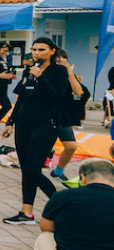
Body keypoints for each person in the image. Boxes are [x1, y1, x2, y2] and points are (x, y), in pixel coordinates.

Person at [2, 38, 72, 225]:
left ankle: (60, 203)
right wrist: (10, 121)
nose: (36, 53)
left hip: (46, 125)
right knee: (27, 169)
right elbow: (22, 98)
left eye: (41, 49)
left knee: (33, 168)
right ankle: (27, 213)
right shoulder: (29, 70)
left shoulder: (59, 71)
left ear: (52, 51)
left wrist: (42, 77)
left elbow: (58, 97)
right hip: (24, 123)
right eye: (34, 49)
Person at [50, 51, 87, 181]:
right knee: (43, 147)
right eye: (58, 62)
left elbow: (79, 92)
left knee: (71, 146)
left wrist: (70, 73)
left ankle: (58, 171)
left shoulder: (68, 76)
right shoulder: (47, 73)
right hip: (45, 116)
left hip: (62, 116)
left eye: (64, 63)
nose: (61, 65)